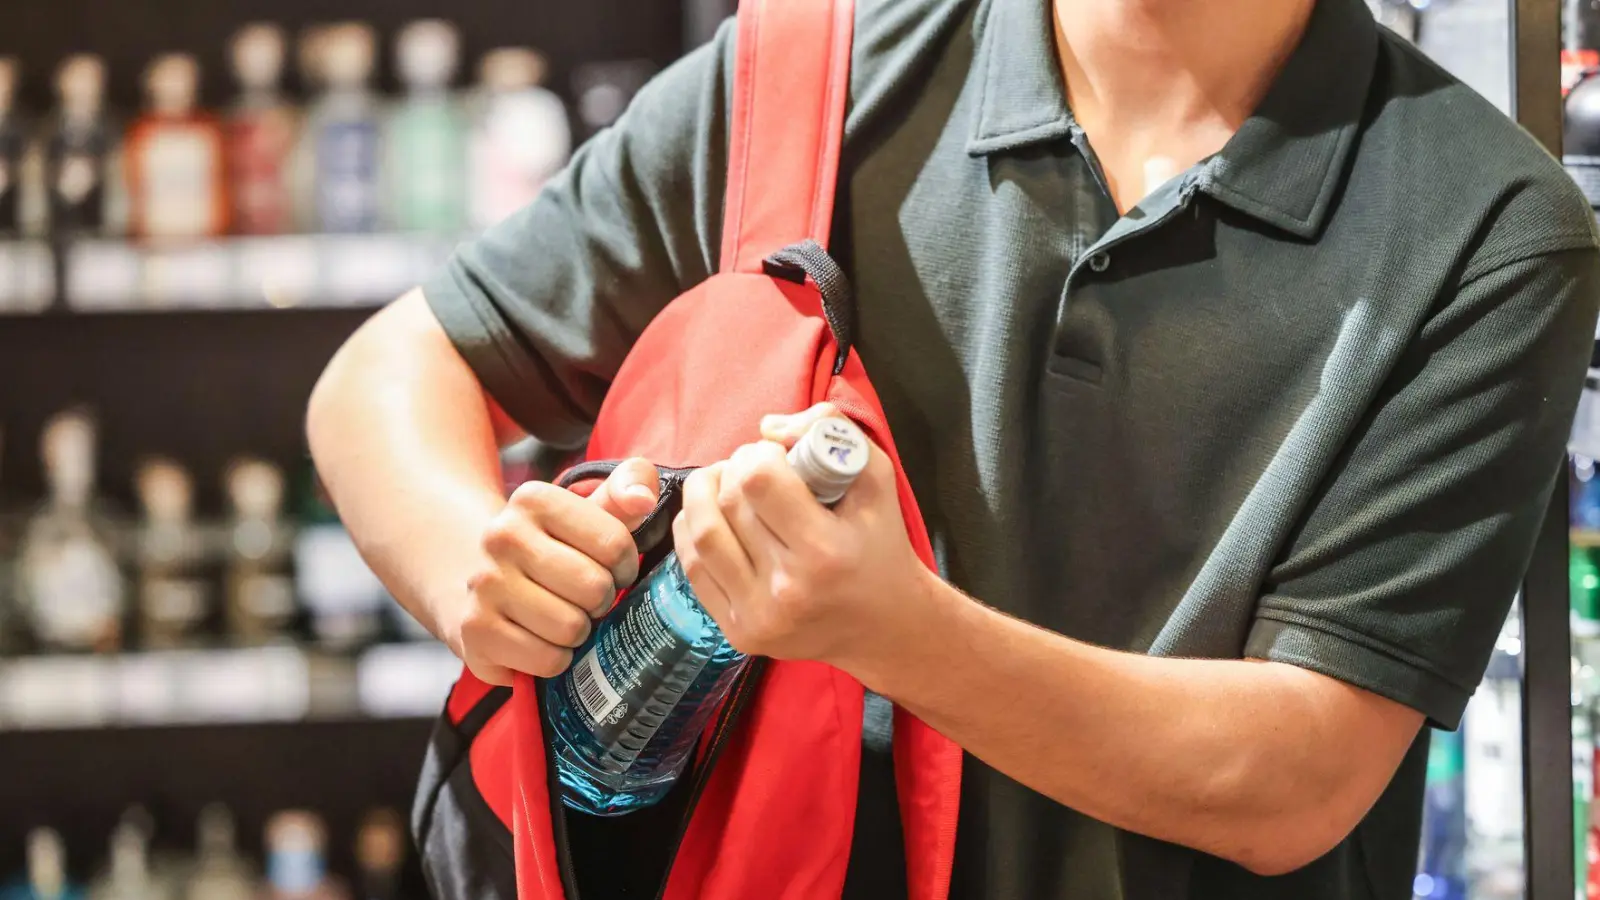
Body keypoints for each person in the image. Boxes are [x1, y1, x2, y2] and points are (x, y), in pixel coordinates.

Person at [305, 0, 1600, 897]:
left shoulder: (1485, 231)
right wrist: (480, 564)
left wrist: (898, 630)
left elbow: (1297, 777)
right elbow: (390, 374)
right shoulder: (807, 75)